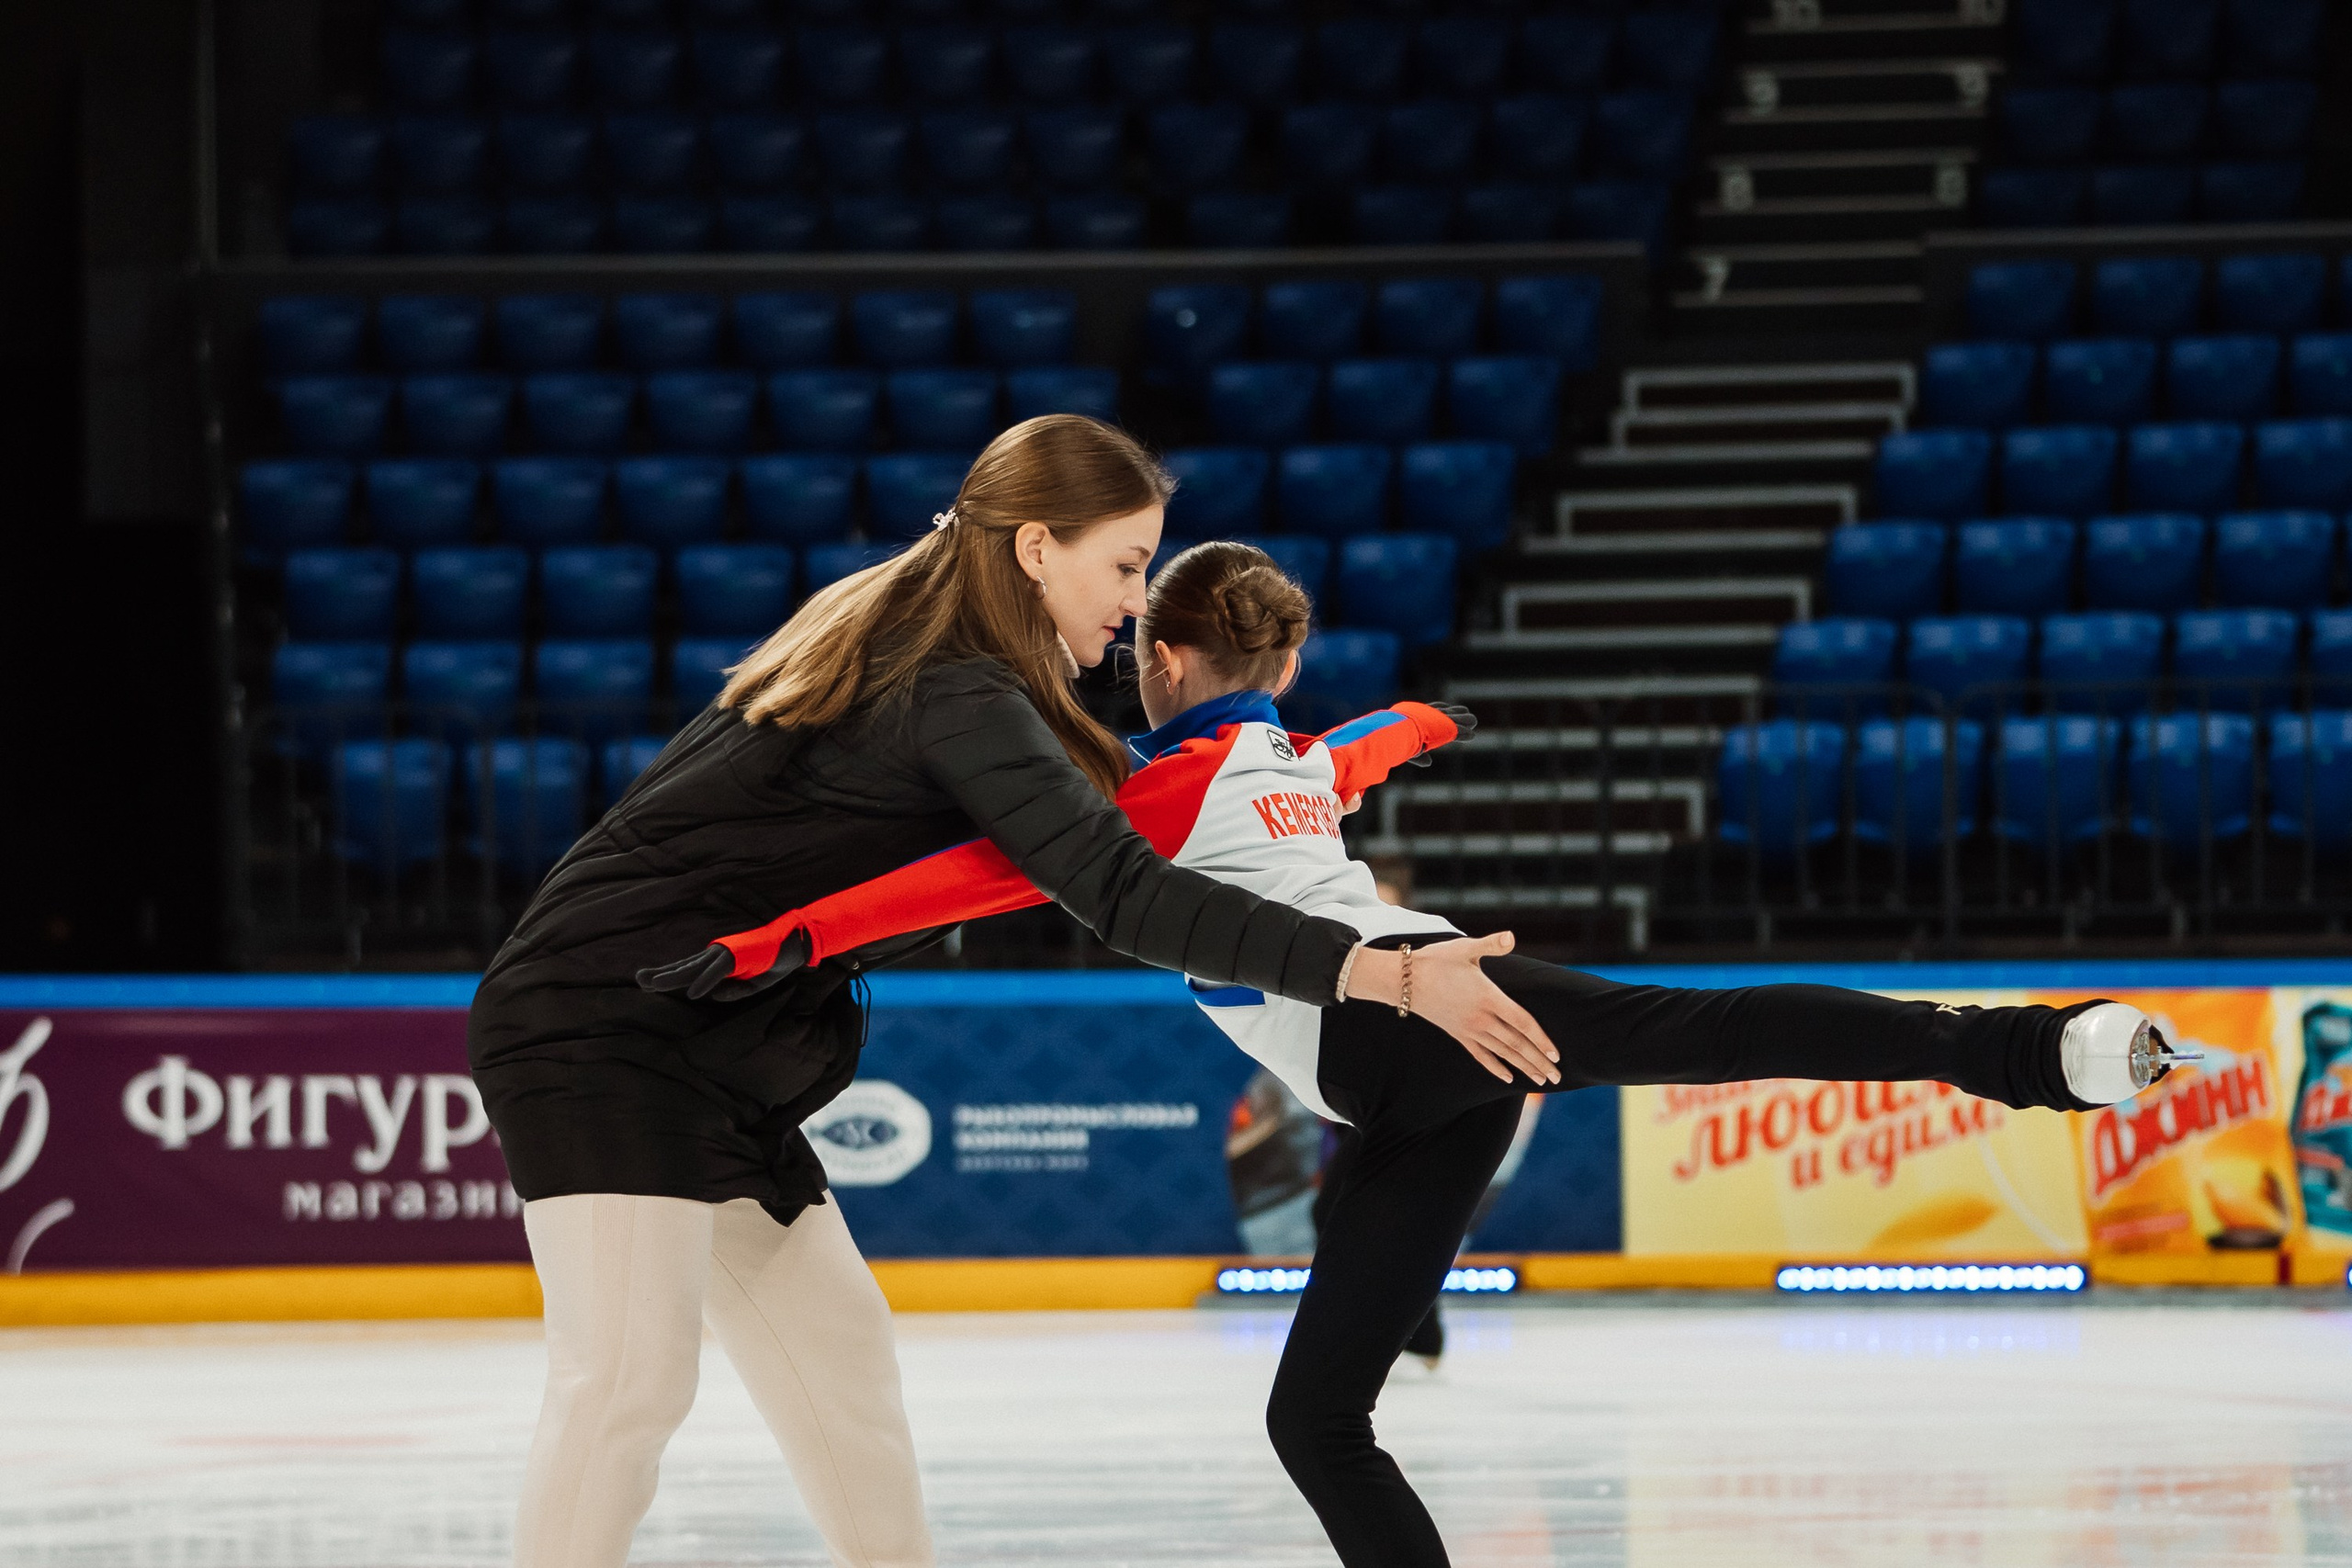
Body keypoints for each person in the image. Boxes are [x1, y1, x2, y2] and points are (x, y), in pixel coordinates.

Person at [653, 539, 2196, 1568]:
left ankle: (2040, 1054)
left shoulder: (1159, 797)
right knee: (1706, 1036)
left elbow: (958, 884)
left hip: (1406, 1024)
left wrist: (763, 944)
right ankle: (2040, 1057)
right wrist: (1422, 720)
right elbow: (1360, 747)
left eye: (1143, 644)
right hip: (1422, 1066)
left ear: (1170, 655)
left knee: (1329, 1411)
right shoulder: (1286, 763)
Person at [467, 418, 1557, 1568]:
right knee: (628, 1385)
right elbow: (1123, 893)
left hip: (715, 1051)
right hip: (602, 1027)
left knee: (841, 1364)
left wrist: (1378, 743)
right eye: (1127, 565)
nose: (1137, 604)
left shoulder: (939, 658)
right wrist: (1372, 969)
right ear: (1036, 548)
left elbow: (1151, 820)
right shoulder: (955, 687)